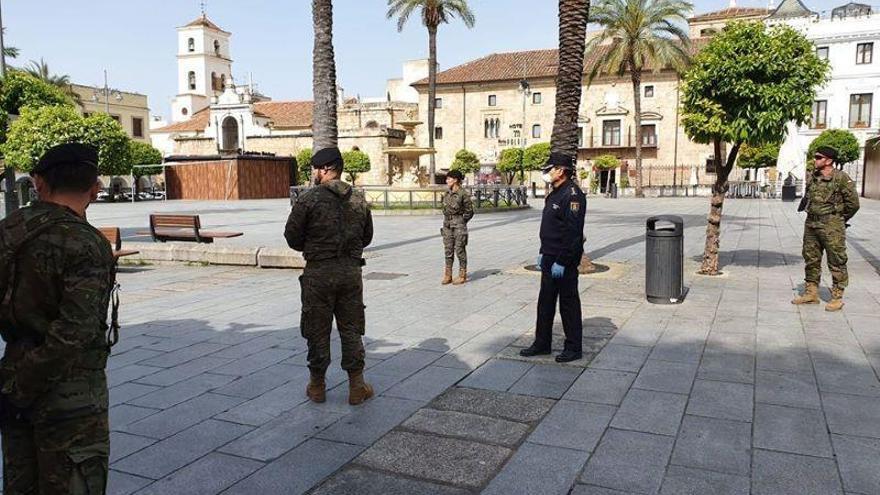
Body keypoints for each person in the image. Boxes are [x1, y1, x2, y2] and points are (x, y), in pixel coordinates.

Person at [0, 143, 117, 494]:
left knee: (21, 481)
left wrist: (15, 383)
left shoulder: (7, 231)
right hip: (71, 394)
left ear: (38, 182)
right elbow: (75, 333)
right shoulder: (85, 243)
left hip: (13, 374)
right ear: (94, 187)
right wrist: (30, 380)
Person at [284, 147, 375, 405]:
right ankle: (357, 387)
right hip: (350, 273)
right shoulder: (359, 199)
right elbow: (367, 237)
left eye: (315, 168)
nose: (313, 173)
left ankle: (317, 386)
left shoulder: (308, 199)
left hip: (318, 274)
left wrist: (316, 247)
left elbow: (292, 237)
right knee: (351, 328)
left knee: (317, 329)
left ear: (324, 169)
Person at [520, 152, 587, 363]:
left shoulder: (573, 195)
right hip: (549, 256)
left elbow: (573, 233)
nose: (546, 173)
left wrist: (563, 260)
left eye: (549, 169)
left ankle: (574, 347)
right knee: (545, 302)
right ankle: (542, 343)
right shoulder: (554, 193)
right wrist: (543, 252)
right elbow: (550, 227)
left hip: (563, 260)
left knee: (568, 303)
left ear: (561, 170)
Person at [792, 146, 860, 311]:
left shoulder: (841, 178)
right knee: (811, 258)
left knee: (836, 260)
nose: (815, 160)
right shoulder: (813, 177)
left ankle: (837, 296)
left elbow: (853, 204)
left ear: (829, 160)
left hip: (831, 225)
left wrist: (839, 219)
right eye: (815, 157)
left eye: (818, 157)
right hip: (811, 224)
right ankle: (811, 293)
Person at [440, 169, 474, 285]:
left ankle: (462, 275)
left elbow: (469, 211)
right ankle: (448, 275)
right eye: (447, 178)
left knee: (460, 250)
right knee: (448, 250)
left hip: (458, 225)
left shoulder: (463, 194)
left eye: (449, 178)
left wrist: (461, 221)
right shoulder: (447, 193)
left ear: (455, 180)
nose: (447, 180)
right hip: (447, 225)